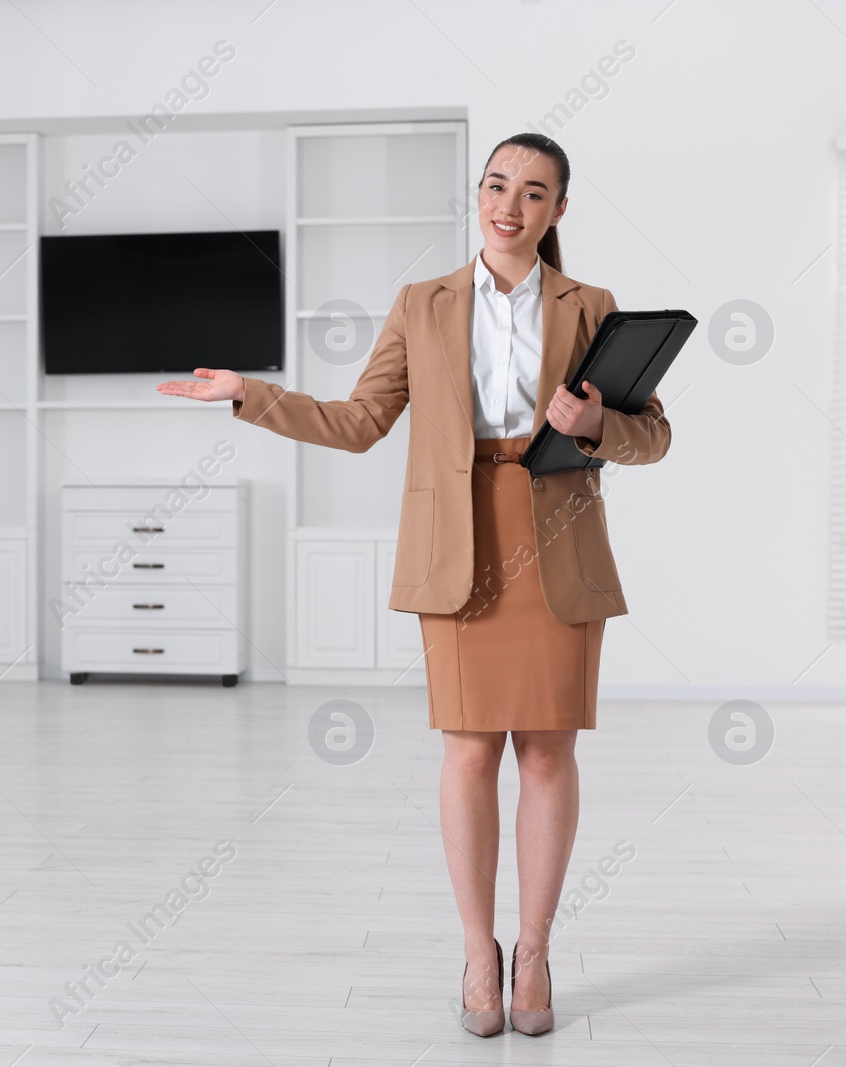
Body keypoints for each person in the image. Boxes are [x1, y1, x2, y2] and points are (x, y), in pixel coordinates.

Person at [156, 132, 670, 1037]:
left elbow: (652, 433)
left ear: (558, 210)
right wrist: (252, 393)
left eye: (534, 192)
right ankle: (480, 953)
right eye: (497, 184)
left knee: (548, 753)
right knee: (469, 753)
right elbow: (360, 422)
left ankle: (537, 950)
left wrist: (595, 423)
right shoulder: (422, 304)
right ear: (478, 194)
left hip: (557, 539)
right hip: (458, 547)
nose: (510, 204)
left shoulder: (592, 305)